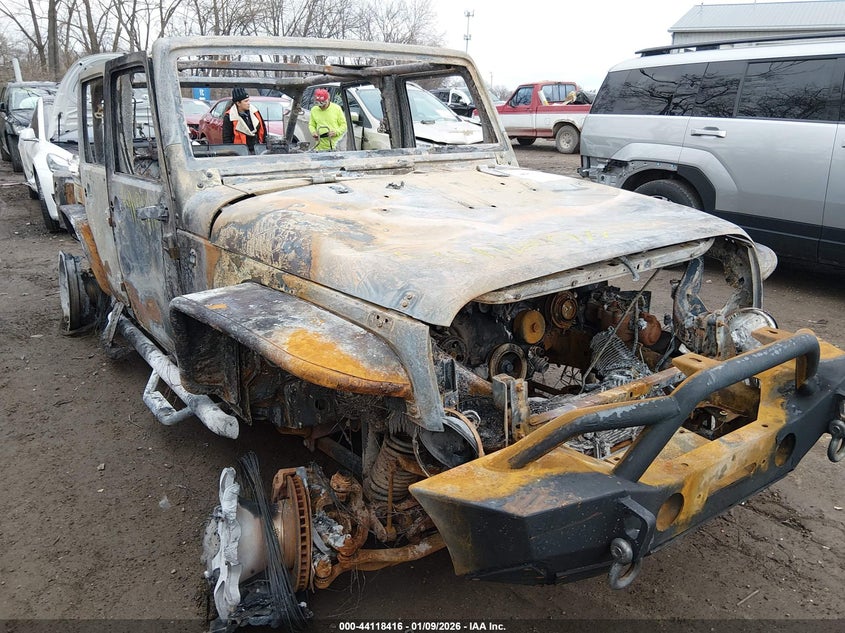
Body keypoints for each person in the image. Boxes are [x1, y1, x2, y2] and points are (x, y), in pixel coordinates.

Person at [222, 87, 266, 154]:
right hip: (239, 152)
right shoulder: (229, 116)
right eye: (245, 101)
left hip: (257, 150)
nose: (248, 103)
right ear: (238, 103)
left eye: (248, 100)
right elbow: (227, 139)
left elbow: (263, 130)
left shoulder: (255, 112)